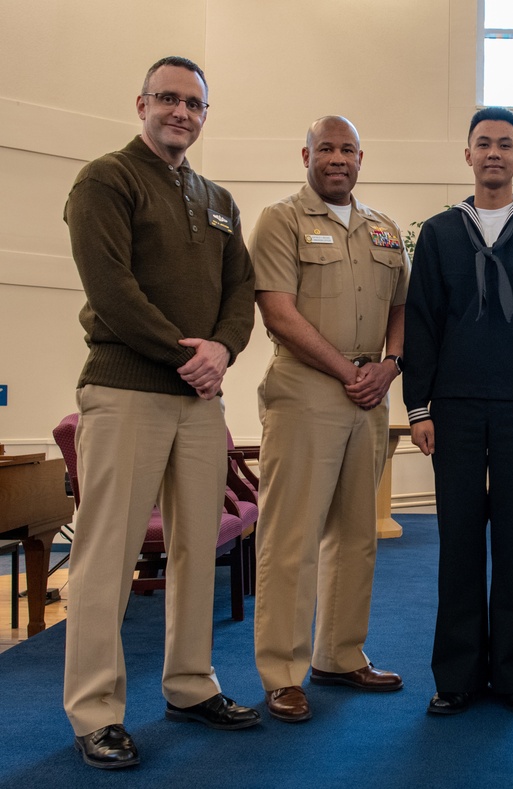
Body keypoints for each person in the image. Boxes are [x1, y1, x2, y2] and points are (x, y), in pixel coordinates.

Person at [62, 56, 260, 770]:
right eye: (169, 99)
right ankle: (94, 709)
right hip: (125, 390)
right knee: (105, 556)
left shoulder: (216, 197)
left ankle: (188, 683)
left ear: (205, 115)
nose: (182, 112)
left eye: (194, 103)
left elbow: (244, 289)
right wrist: (190, 354)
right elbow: (111, 289)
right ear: (141, 103)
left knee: (196, 550)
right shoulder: (105, 180)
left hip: (200, 401)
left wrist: (224, 349)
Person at [403, 107, 513, 716]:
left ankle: (510, 675)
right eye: (484, 144)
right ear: (468, 155)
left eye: (506, 145)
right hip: (451, 412)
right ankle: (455, 676)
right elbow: (422, 323)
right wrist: (418, 407)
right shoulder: (438, 232)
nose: (494, 154)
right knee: (456, 541)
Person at [249, 116, 408, 723]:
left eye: (347, 149)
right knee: (291, 538)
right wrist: (349, 370)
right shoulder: (280, 220)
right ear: (306, 155)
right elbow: (278, 313)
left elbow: (402, 307)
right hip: (307, 389)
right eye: (326, 148)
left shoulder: (384, 229)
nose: (336, 158)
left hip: (370, 394)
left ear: (361, 158)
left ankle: (339, 654)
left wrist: (390, 365)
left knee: (356, 534)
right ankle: (282, 673)